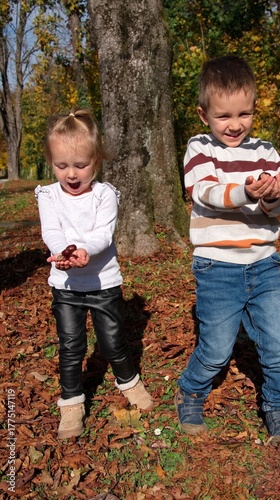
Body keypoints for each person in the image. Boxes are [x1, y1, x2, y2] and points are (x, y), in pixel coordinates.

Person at [174, 55, 280, 448]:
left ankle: (279, 409)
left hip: (264, 263)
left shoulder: (266, 151)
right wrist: (247, 190)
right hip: (217, 267)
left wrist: (274, 195)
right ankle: (190, 390)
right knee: (216, 349)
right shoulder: (199, 148)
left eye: (244, 113)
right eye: (224, 115)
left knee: (278, 344)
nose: (235, 124)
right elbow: (205, 192)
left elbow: (275, 212)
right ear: (204, 114)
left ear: (254, 110)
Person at [35, 108, 153, 440]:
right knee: (71, 345)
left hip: (103, 283)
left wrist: (85, 251)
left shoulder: (104, 195)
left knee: (113, 342)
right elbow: (52, 231)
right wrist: (63, 252)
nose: (71, 174)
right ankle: (71, 403)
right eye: (61, 166)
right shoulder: (49, 196)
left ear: (96, 161)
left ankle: (128, 381)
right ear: (52, 163)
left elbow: (104, 234)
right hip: (66, 285)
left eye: (80, 165)